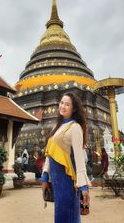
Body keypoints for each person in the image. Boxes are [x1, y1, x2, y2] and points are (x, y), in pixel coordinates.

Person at [41, 92, 90, 223]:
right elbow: (49, 153)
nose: (62, 106)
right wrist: (45, 176)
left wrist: (83, 187)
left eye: (67, 104)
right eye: (61, 103)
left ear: (73, 109)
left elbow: (79, 160)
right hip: (56, 181)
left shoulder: (75, 127)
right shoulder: (56, 127)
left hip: (67, 180)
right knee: (60, 215)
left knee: (68, 215)